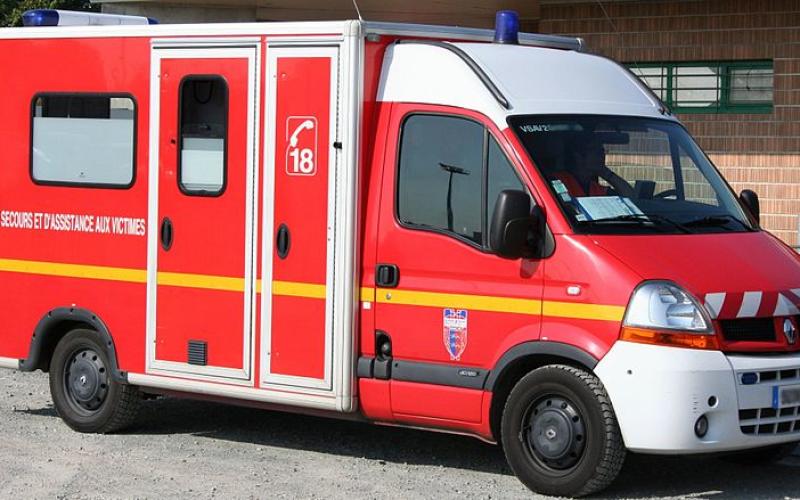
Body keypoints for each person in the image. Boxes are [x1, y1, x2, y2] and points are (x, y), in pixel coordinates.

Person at [551, 136, 635, 198]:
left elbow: (630, 197)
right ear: (578, 156)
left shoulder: (596, 188)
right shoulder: (557, 181)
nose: (602, 155)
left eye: (602, 151)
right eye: (595, 151)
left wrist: (605, 172)